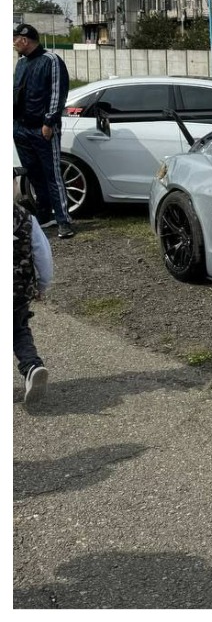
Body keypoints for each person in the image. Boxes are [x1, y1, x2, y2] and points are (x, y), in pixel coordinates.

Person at [12, 23, 74, 239]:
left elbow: (58, 92)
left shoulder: (51, 60)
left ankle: (64, 221)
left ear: (25, 40)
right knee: (34, 174)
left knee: (53, 175)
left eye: (15, 39)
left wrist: (49, 122)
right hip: (21, 129)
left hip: (43, 129)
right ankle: (44, 215)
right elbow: (15, 92)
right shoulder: (20, 64)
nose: (13, 43)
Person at [14, 196, 53, 402]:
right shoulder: (26, 218)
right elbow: (43, 254)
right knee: (19, 331)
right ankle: (32, 367)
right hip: (18, 292)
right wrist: (42, 284)